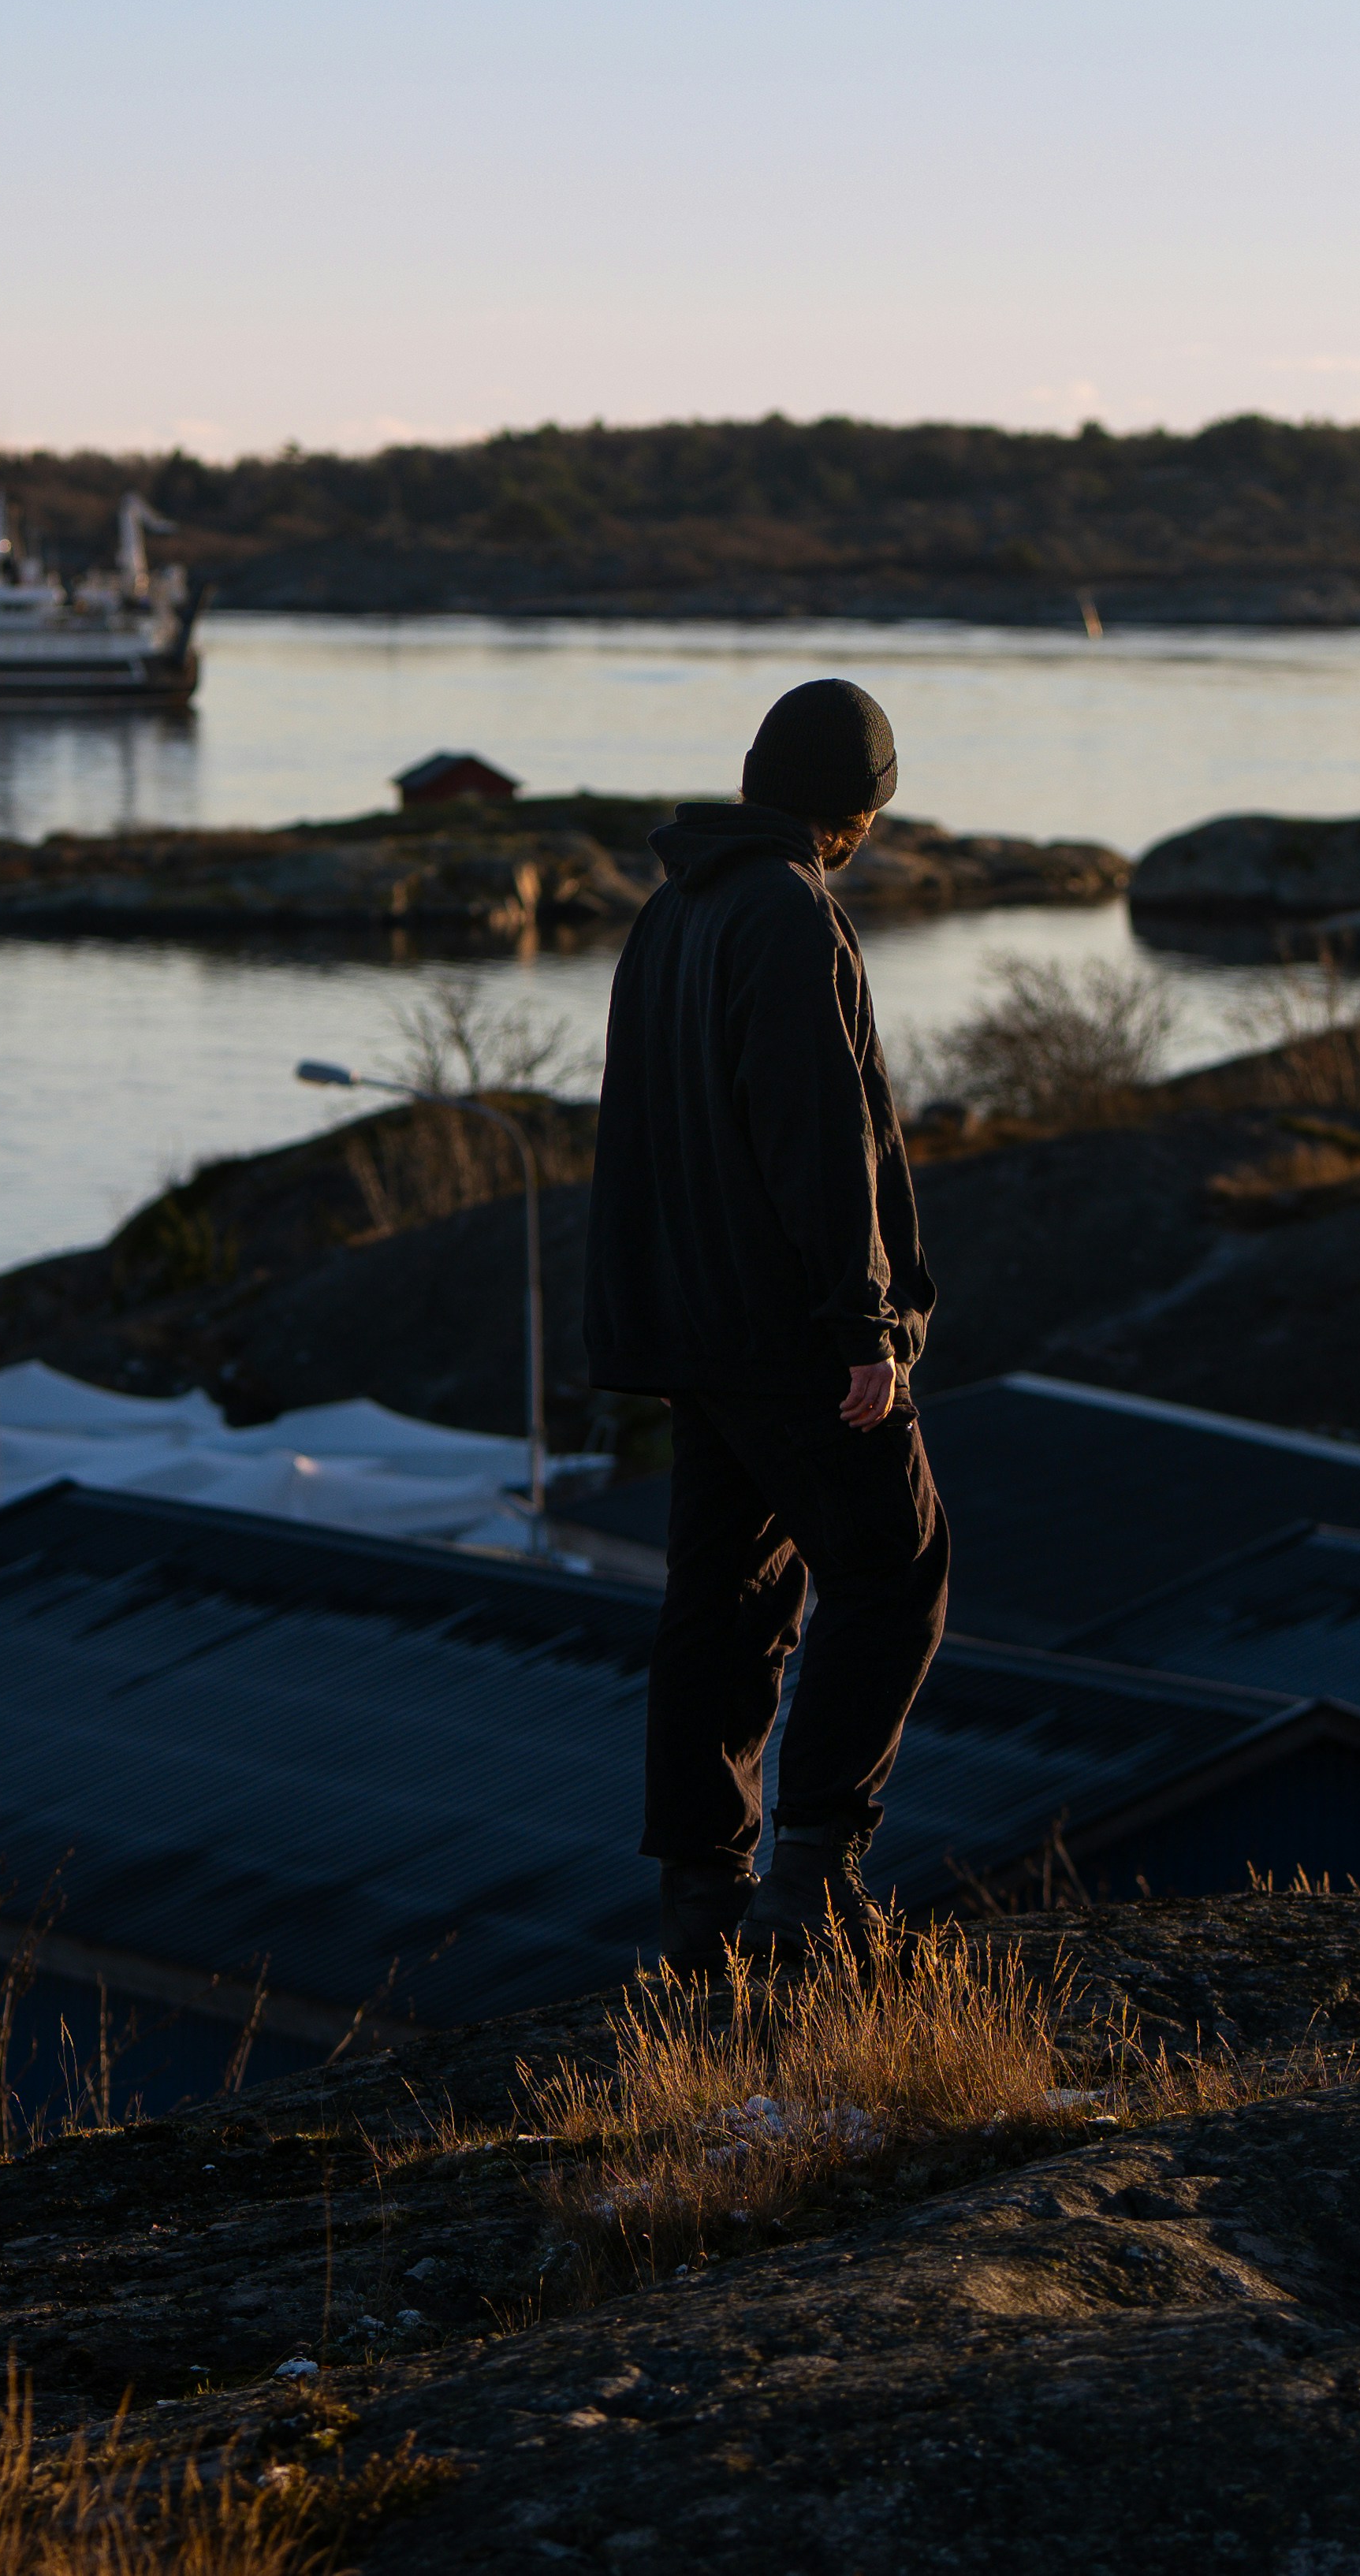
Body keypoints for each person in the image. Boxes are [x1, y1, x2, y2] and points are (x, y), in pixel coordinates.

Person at [581, 678, 947, 1971]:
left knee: (725, 1604)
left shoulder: (673, 911)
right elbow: (817, 1135)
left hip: (696, 1330)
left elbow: (639, 1131)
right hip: (784, 1328)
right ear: (858, 809)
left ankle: (701, 1901)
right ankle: (815, 1877)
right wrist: (864, 1324)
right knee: (894, 1570)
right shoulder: (790, 912)